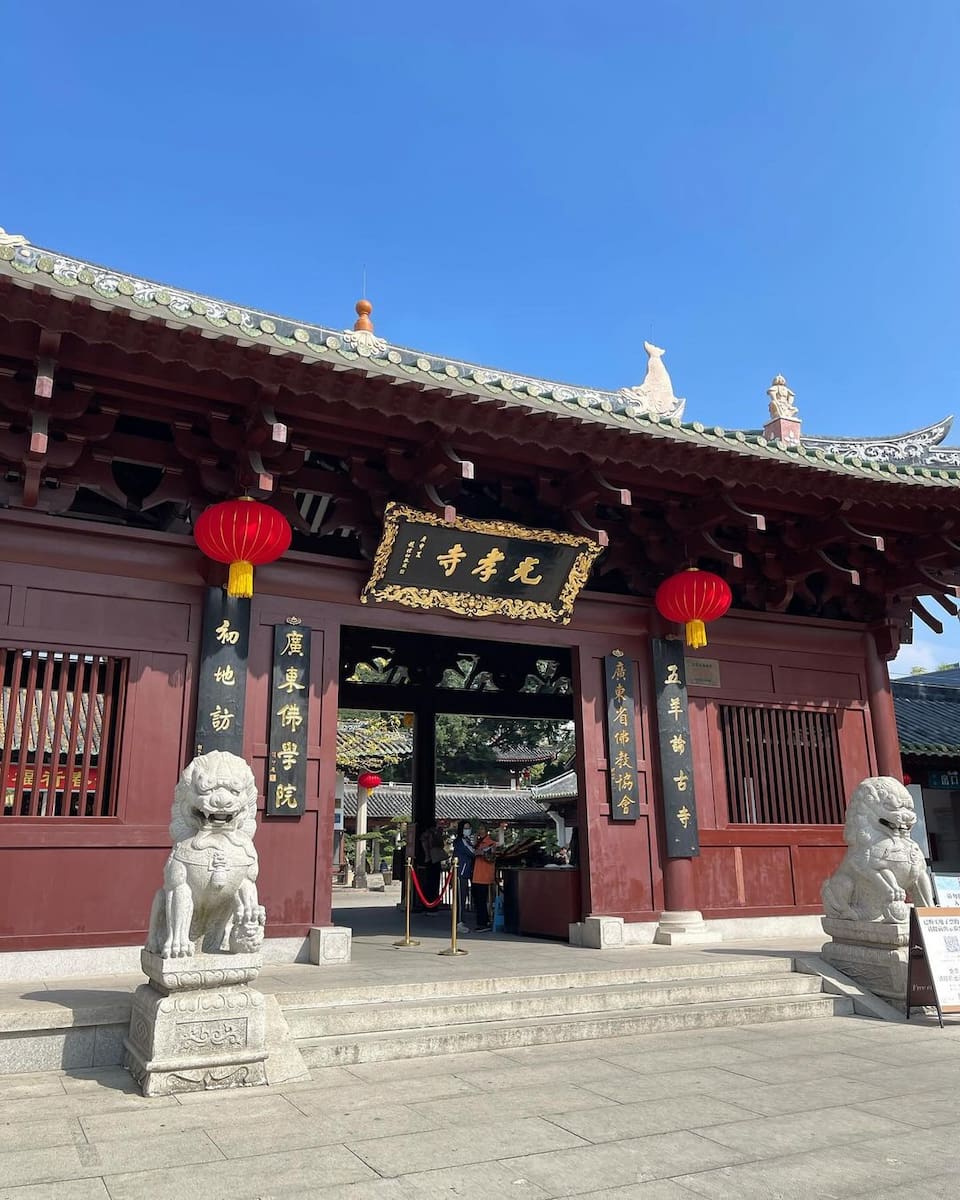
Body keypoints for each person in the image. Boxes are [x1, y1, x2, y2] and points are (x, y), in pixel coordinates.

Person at [471, 823, 498, 931]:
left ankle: (484, 923)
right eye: (479, 829)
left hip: (484, 876)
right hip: (476, 875)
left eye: (482, 829)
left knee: (482, 900)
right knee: (477, 900)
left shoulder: (490, 843)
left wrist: (481, 852)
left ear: (486, 831)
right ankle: (481, 921)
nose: (480, 831)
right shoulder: (477, 843)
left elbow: (491, 857)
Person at [452, 821, 475, 933]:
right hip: (460, 872)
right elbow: (472, 852)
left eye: (469, 827)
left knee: (463, 897)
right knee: (460, 899)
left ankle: (460, 921)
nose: (468, 830)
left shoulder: (467, 840)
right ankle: (459, 923)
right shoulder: (460, 841)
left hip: (465, 872)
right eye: (465, 828)